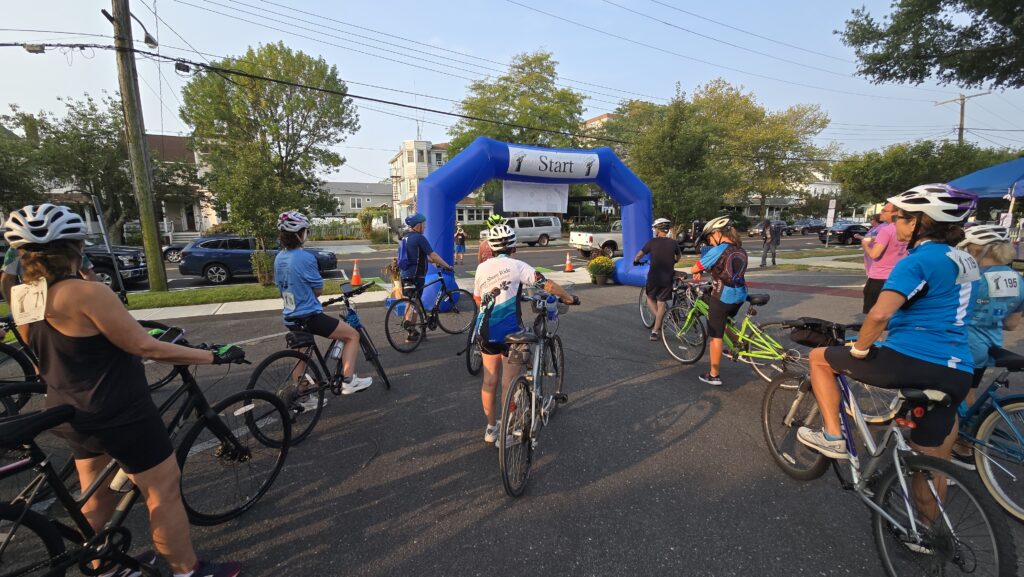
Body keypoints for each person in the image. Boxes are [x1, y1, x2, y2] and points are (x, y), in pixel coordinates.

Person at [3, 204, 244, 577]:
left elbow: (44, 353)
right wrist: (210, 356)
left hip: (68, 409)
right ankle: (188, 570)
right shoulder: (86, 294)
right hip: (118, 409)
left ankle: (103, 565)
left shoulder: (24, 295)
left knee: (97, 497)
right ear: (76, 247)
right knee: (163, 490)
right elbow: (145, 345)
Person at [797, 184, 977, 522]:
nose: (895, 226)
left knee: (820, 357)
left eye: (900, 219)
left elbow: (880, 314)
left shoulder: (919, 260)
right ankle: (927, 533)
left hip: (912, 359)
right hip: (957, 369)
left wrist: (861, 348)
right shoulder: (966, 259)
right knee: (932, 459)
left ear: (919, 222)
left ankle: (833, 436)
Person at [472, 223, 578, 446]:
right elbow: (546, 284)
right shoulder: (518, 265)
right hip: (511, 334)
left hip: (485, 330)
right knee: (509, 382)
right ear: (513, 246)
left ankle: (491, 429)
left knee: (489, 380)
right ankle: (508, 433)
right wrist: (568, 297)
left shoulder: (481, 268)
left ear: (491, 246)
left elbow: (478, 299)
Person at [275, 211, 372, 403]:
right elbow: (318, 290)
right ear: (299, 234)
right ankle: (348, 380)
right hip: (309, 315)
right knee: (352, 335)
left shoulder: (279, 258)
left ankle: (303, 398)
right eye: (305, 231)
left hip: (290, 316)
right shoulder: (305, 258)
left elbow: (280, 286)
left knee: (302, 356)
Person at [959, 225, 1023, 406]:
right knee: (969, 391)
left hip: (964, 343)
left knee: (951, 396)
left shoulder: (971, 278)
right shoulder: (1017, 279)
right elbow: (1011, 324)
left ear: (978, 248)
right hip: (991, 342)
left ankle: (950, 432)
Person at [690, 216, 748, 386]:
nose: (710, 241)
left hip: (723, 296)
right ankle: (736, 345)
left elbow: (695, 268)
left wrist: (699, 270)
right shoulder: (740, 249)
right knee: (725, 321)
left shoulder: (719, 249)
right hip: (740, 295)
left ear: (717, 233)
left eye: (710, 238)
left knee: (715, 336)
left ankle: (714, 375)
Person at [397, 212, 453, 342]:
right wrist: (447, 266)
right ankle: (411, 333)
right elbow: (433, 255)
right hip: (416, 275)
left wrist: (430, 261)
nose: (425, 227)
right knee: (415, 304)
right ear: (417, 226)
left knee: (409, 302)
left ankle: (414, 330)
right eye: (424, 224)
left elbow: (413, 256)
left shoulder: (405, 237)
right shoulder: (419, 238)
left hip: (405, 275)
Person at [2, 237, 98, 303]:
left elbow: (7, 279)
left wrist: (13, 306)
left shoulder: (17, 248)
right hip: (65, 295)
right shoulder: (70, 245)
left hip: (34, 299)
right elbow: (88, 273)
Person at [633, 218, 681, 341]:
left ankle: (660, 322)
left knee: (649, 297)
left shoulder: (652, 242)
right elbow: (678, 257)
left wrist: (636, 261)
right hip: (667, 277)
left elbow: (639, 255)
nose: (654, 230)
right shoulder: (673, 243)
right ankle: (655, 331)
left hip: (654, 277)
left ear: (658, 230)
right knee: (661, 304)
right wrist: (674, 260)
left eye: (655, 228)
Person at [860, 202, 907, 314]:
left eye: (884, 211)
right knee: (895, 313)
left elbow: (874, 254)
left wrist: (865, 245)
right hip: (899, 275)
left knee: (874, 315)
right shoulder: (907, 230)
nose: (881, 212)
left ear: (896, 213)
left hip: (880, 277)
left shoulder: (886, 230)